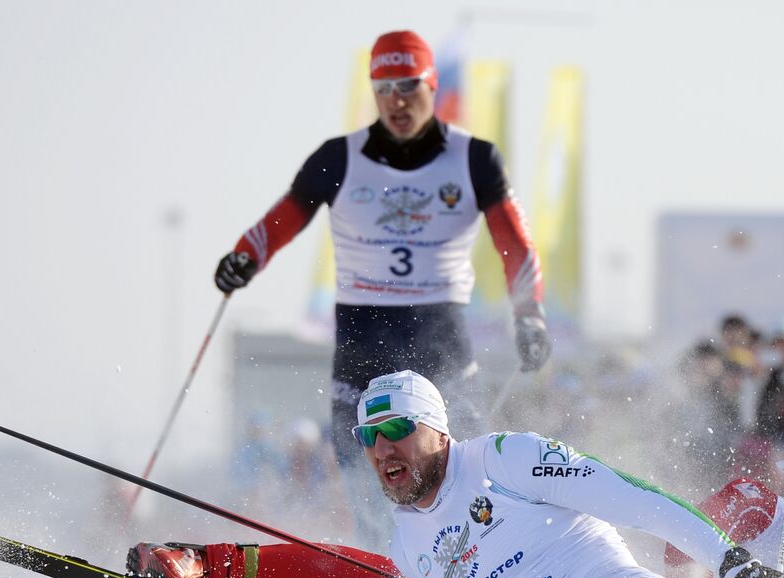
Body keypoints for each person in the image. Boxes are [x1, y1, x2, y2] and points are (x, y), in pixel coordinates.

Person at [126, 371, 784, 578]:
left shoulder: (504, 459)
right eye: (368, 437)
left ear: (438, 431)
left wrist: (734, 567)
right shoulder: (410, 546)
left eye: (398, 428)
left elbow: (635, 499)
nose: (382, 448)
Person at [212, 30, 552, 549]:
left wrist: (530, 315)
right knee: (371, 482)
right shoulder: (339, 157)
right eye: (384, 88)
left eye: (409, 86)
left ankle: (488, 568)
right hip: (363, 337)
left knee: (465, 471)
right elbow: (281, 220)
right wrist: (245, 257)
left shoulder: (473, 158)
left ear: (432, 85)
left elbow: (514, 242)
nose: (397, 100)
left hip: (439, 333)